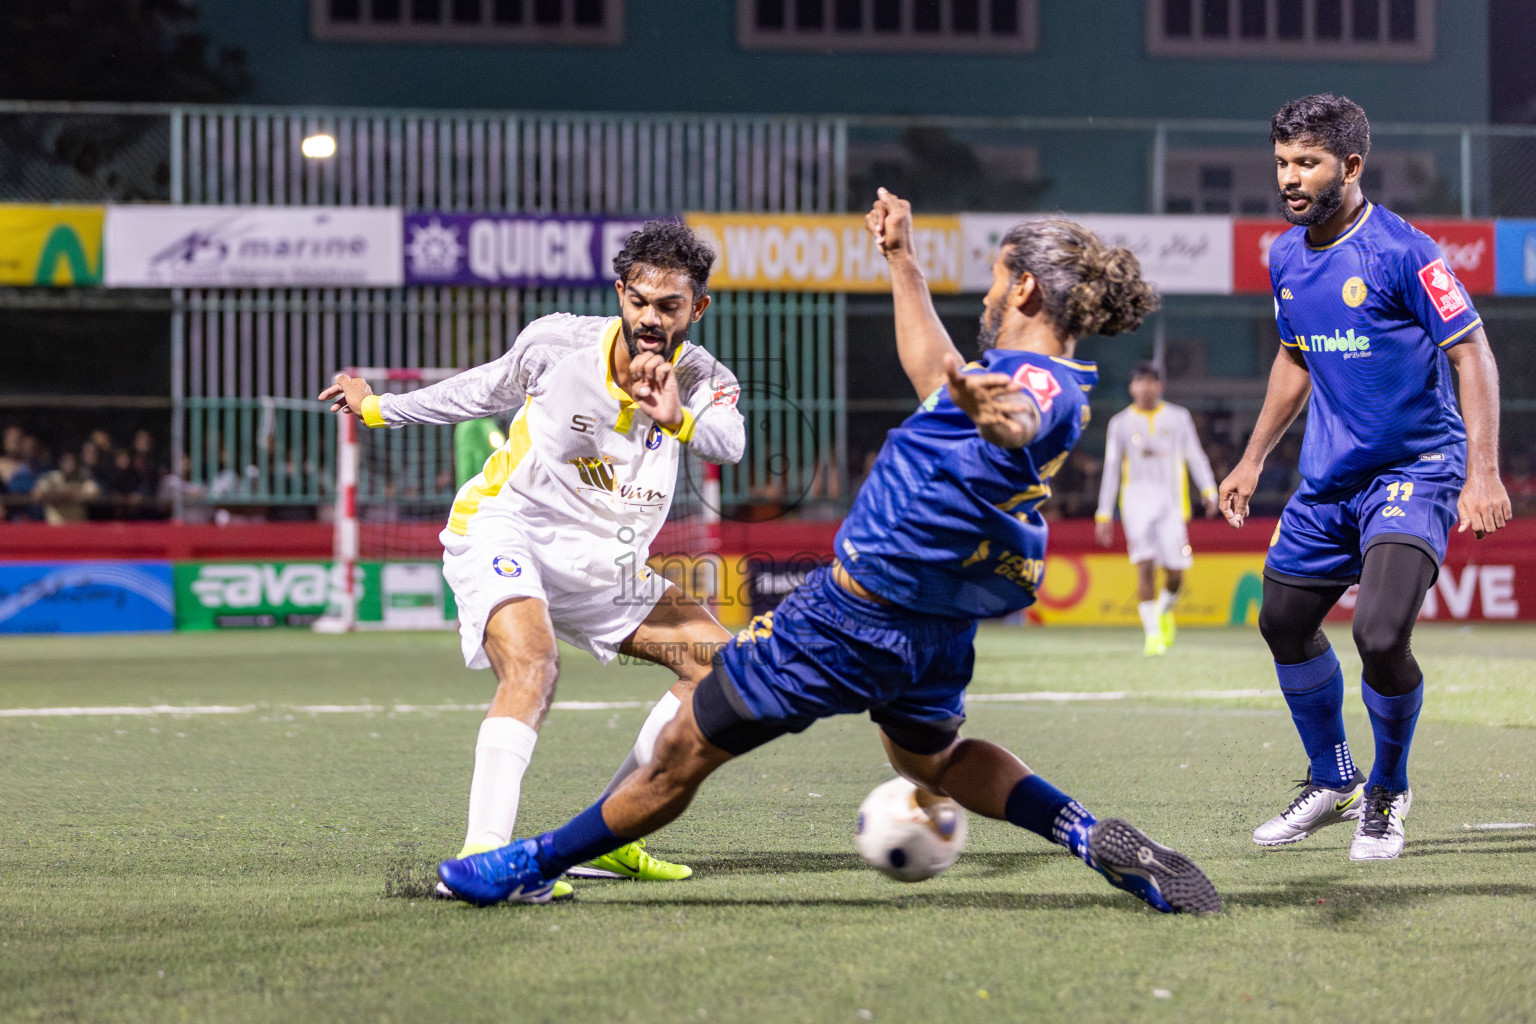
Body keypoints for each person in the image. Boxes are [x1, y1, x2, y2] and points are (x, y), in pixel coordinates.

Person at [437, 191, 1222, 915]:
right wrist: (900, 259)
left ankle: (528, 863)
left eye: (993, 280)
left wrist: (1000, 416)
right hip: (935, 633)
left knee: (684, 747)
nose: (985, 296)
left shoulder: (1034, 385)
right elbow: (930, 373)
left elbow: (1016, 415)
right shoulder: (1036, 376)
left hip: (850, 619)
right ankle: (1085, 834)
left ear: (1023, 290)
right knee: (933, 761)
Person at [321, 221, 745, 901]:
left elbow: (728, 443)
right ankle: (486, 853)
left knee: (722, 675)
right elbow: (477, 392)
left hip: (606, 564)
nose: (649, 318)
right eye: (639, 300)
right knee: (534, 664)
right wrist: (377, 408)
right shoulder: (557, 343)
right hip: (506, 529)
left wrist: (679, 418)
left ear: (697, 309)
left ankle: (608, 840)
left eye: (669, 306)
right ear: (620, 293)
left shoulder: (702, 378)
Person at [1219, 95, 1511, 861]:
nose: (1289, 178)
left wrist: (1482, 472)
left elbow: (1472, 353)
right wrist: (1252, 458)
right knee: (1281, 621)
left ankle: (1387, 789)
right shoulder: (1284, 254)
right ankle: (1332, 777)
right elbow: (1294, 357)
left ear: (1349, 166)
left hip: (1415, 469)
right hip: (1328, 480)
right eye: (1282, 161)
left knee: (1381, 634)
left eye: (1306, 163)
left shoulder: (1404, 251)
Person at [1094, 362, 1217, 655]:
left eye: (1151, 381)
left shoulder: (1178, 417)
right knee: (1145, 566)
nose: (1145, 387)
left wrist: (1209, 489)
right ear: (1131, 387)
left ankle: (1162, 612)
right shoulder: (1120, 423)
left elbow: (1195, 456)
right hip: (1136, 505)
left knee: (1176, 574)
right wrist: (1103, 513)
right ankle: (1152, 635)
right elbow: (1111, 469)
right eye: (1140, 382)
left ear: (1159, 386)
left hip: (1171, 505)